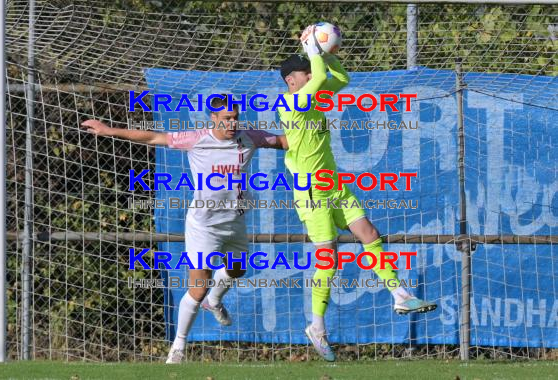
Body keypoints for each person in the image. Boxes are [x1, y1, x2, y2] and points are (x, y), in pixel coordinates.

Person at [82, 95, 288, 364]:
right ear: (213, 118)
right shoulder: (196, 139)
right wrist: (110, 130)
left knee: (237, 270)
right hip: (204, 226)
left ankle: (214, 301)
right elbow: (153, 138)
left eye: (235, 117)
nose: (232, 123)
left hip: (235, 220)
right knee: (198, 288)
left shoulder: (251, 137)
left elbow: (283, 141)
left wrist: (313, 130)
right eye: (227, 118)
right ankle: (178, 347)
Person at [278, 25, 436, 362]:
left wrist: (326, 54)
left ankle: (400, 294)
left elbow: (342, 79)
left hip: (333, 183)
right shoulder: (291, 102)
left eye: (309, 71)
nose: (310, 76)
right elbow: (321, 79)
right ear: (292, 80)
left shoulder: (312, 91)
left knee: (369, 232)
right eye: (304, 73)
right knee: (328, 256)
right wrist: (314, 52)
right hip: (311, 191)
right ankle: (317, 326)